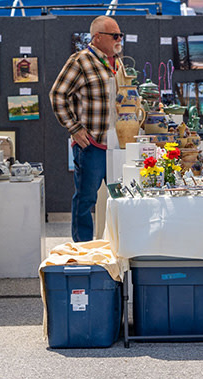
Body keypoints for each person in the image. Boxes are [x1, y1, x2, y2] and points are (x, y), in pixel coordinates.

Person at [49, 16, 124, 242]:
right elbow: (57, 94)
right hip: (92, 145)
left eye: (120, 35)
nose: (119, 39)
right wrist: (74, 128)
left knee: (120, 199)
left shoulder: (118, 62)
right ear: (98, 38)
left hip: (117, 145)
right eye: (115, 36)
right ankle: (82, 251)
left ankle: (117, 248)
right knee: (85, 200)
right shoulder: (80, 60)